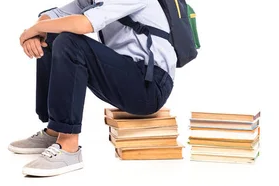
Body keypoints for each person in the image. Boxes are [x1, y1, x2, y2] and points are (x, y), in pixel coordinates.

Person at [9, 0, 176, 177]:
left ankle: (68, 148)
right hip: (125, 75)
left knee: (69, 42)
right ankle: (55, 130)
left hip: (149, 87)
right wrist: (37, 32)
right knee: (52, 34)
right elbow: (54, 15)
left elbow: (84, 24)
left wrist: (33, 30)